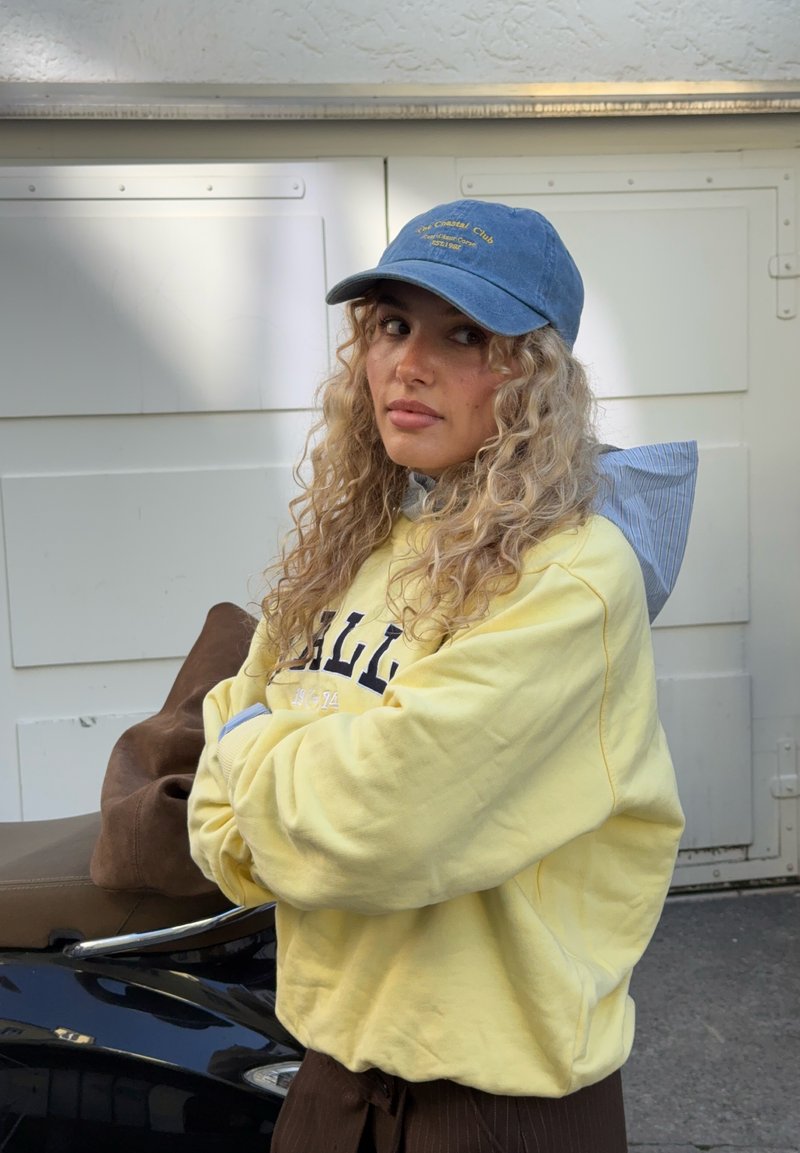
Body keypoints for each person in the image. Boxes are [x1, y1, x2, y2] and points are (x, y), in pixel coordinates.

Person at [188, 199, 693, 1153]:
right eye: (391, 325)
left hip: (494, 1109)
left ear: (536, 373)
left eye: (464, 333)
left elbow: (380, 818)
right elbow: (222, 812)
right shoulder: (354, 543)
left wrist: (259, 759)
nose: (408, 365)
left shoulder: (572, 576)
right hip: (330, 1083)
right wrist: (282, 816)